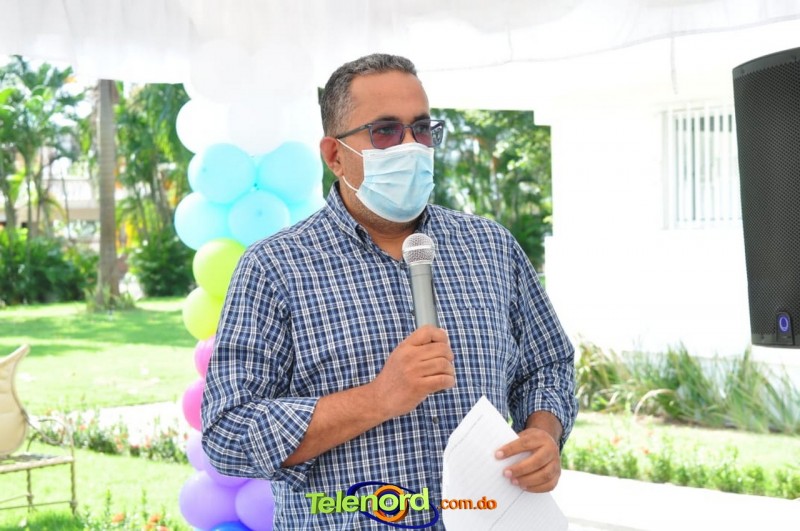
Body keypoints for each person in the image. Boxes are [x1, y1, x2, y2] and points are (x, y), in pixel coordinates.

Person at [202, 53, 577, 530]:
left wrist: (543, 434)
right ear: (335, 156)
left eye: (421, 128)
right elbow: (228, 433)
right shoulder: (275, 267)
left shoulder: (491, 247)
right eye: (385, 131)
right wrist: (378, 398)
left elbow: (547, 365)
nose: (411, 147)